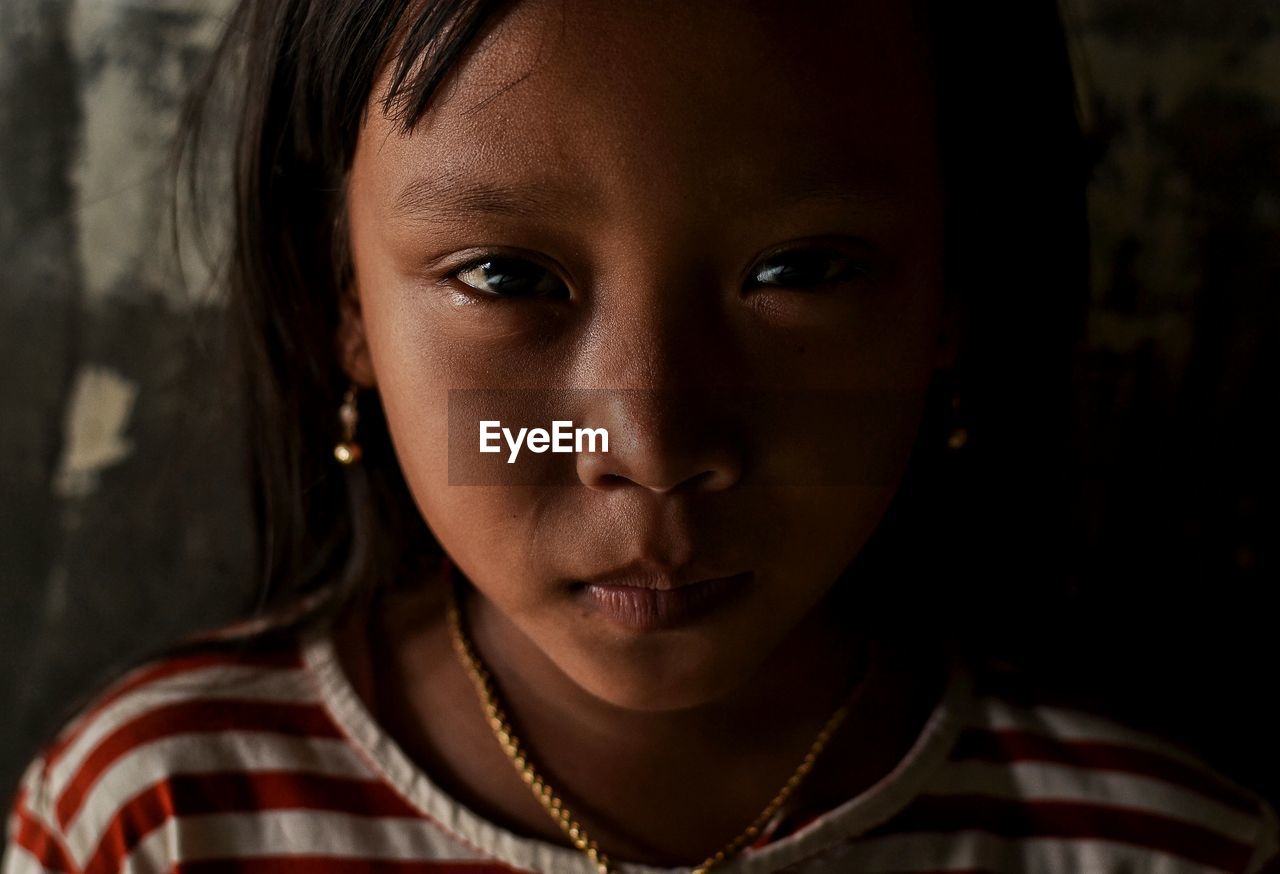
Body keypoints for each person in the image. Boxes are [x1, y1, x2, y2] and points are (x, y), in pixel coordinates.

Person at [4, 0, 1277, 872]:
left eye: (801, 269)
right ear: (341, 306)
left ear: (954, 298)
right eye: (505, 278)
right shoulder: (160, 819)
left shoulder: (1153, 848)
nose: (652, 440)